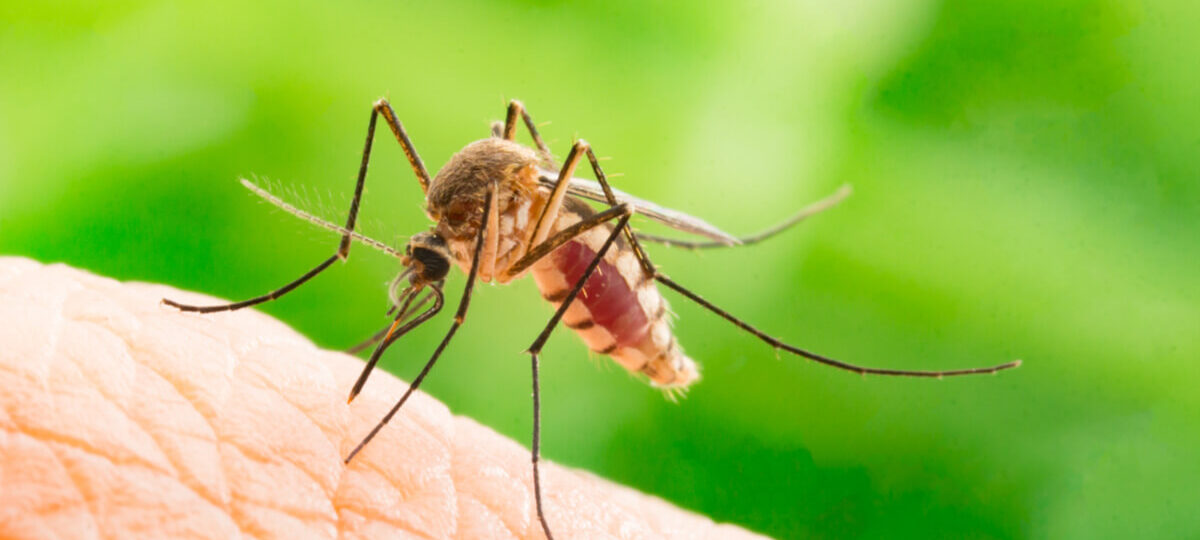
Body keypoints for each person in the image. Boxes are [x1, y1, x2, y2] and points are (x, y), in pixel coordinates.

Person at [0, 257, 764, 539]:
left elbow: (466, 296)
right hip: (544, 229)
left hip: (584, 243)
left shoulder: (492, 231)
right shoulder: (460, 223)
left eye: (429, 261)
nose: (422, 275)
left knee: (475, 302)